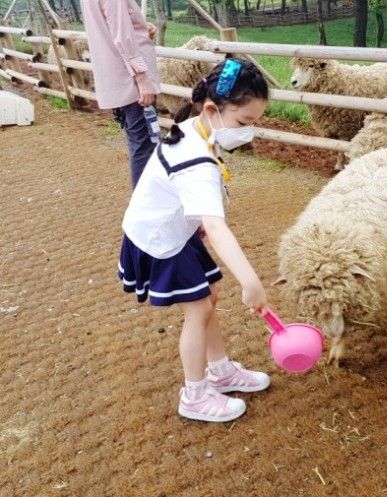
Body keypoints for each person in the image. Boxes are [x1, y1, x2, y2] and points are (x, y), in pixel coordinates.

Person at [117, 59, 271, 423]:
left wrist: (196, 219)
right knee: (199, 308)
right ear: (212, 109)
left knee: (208, 297)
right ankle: (196, 395)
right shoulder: (197, 159)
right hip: (160, 240)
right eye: (245, 123)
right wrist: (251, 282)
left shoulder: (197, 128)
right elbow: (217, 228)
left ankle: (220, 370)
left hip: (176, 228)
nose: (249, 132)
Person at [81, 0, 160, 187]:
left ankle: (148, 203)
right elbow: (122, 36)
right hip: (131, 80)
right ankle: (145, 206)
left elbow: (113, 25)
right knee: (144, 144)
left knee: (139, 141)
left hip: (117, 76)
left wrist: (139, 27)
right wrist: (142, 78)